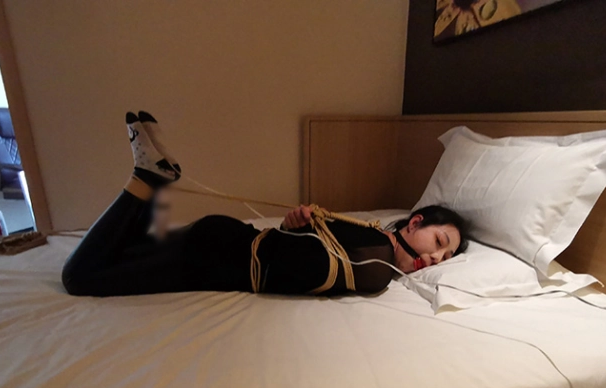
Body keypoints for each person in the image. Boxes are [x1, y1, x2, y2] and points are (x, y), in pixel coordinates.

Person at [62, 111, 470, 297]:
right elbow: (307, 266)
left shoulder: (368, 240)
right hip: (213, 255)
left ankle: (153, 177)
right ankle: (147, 177)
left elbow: (297, 257)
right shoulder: (376, 259)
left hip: (221, 239)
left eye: (446, 256)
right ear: (414, 223)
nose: (437, 258)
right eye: (439, 242)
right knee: (79, 279)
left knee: (120, 254)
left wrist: (293, 228)